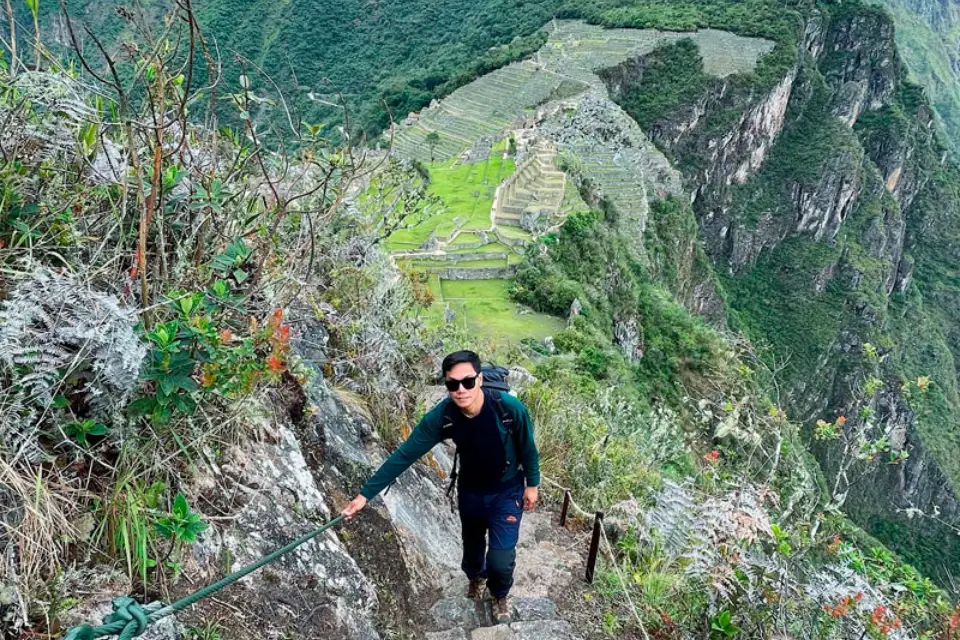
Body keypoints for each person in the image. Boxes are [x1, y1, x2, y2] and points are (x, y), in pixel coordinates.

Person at [340, 350, 540, 624]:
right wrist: (365, 495)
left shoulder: (508, 408)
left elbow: (528, 448)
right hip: (470, 492)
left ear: (479, 379)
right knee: (472, 549)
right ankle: (475, 577)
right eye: (452, 384)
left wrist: (533, 485)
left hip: (507, 491)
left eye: (468, 381)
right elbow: (405, 454)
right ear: (446, 386)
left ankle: (499, 593)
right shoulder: (443, 417)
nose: (461, 390)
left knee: (501, 559)